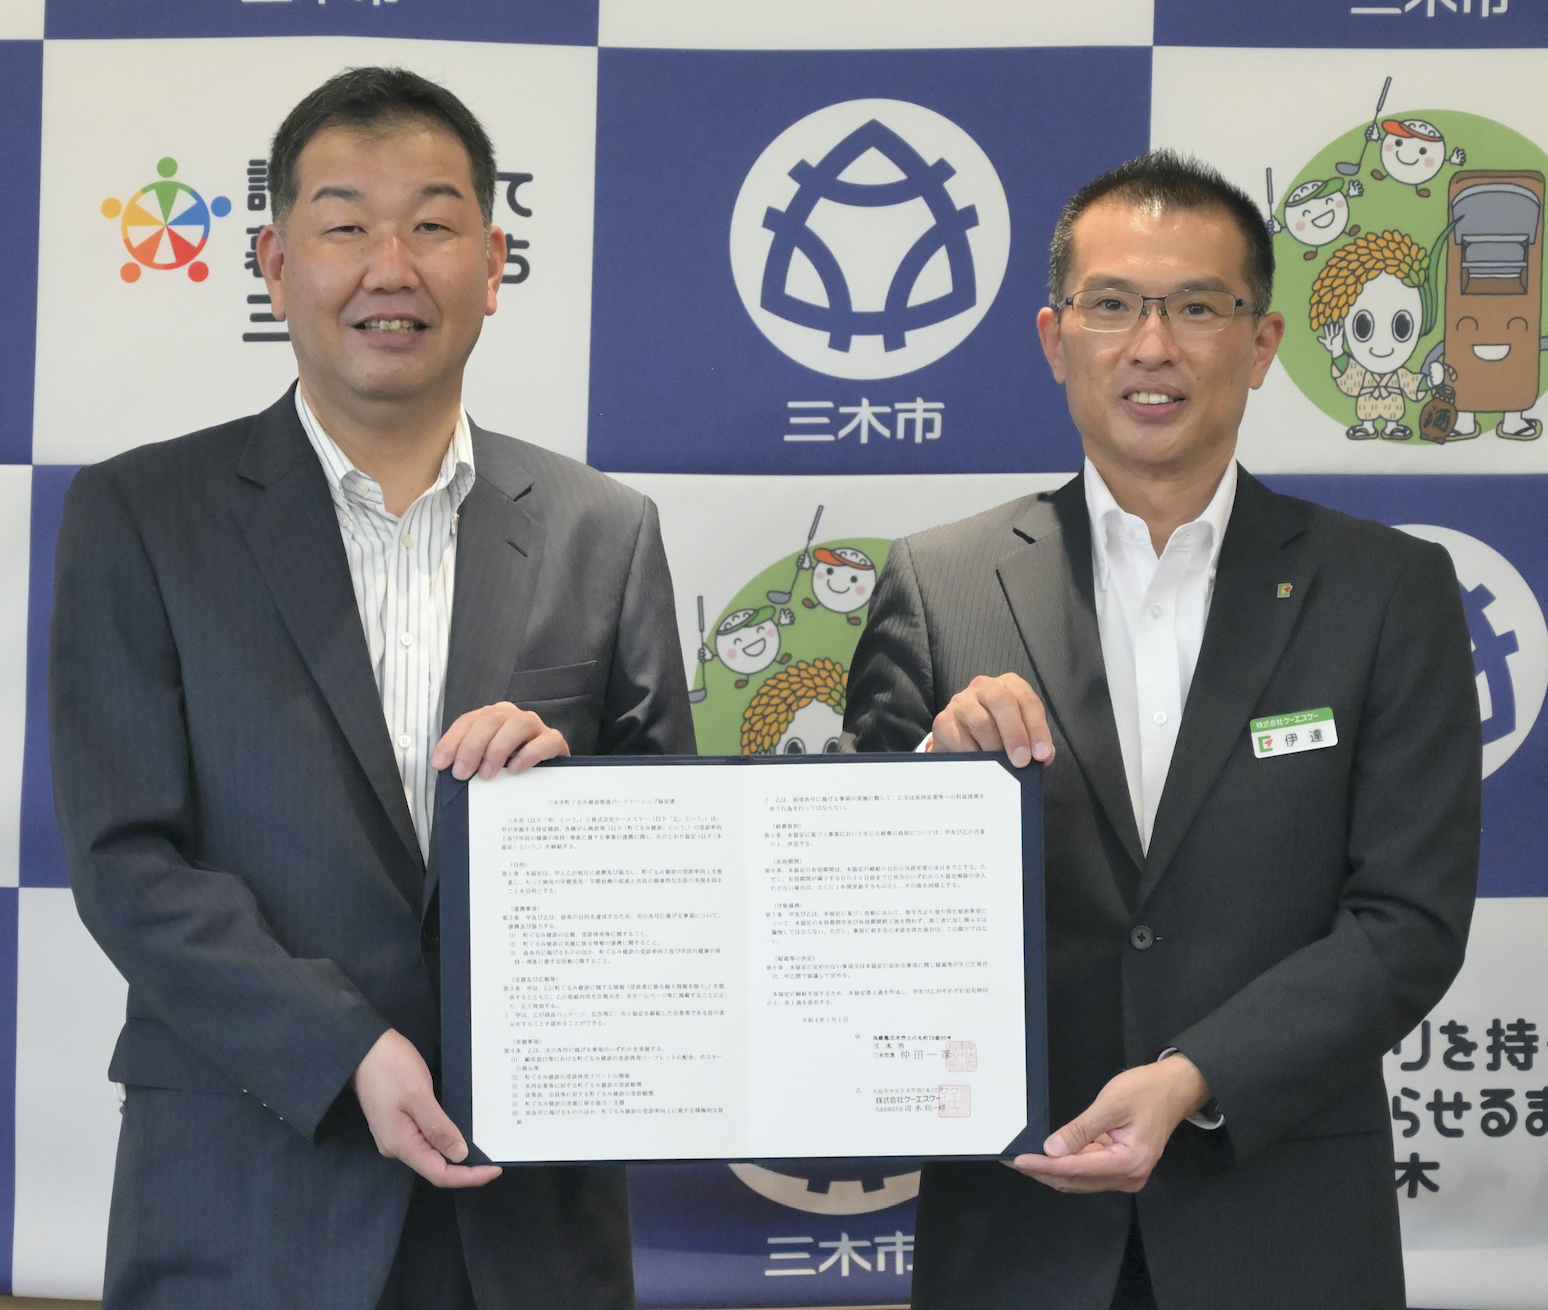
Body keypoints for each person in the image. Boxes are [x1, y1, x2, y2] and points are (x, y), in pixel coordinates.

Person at [50, 68, 693, 1310]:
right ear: (275, 263)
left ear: (492, 265)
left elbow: (672, 861)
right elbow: (126, 859)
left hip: (524, 1217)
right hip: (250, 1189)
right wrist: (344, 1046)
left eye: (433, 224)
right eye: (345, 225)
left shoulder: (602, 530)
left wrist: (571, 805)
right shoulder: (141, 515)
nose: (390, 267)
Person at [845, 150, 1480, 1310]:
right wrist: (934, 781)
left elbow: (1409, 918)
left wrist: (1196, 1074)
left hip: (1283, 1226)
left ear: (1262, 342)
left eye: (1197, 306)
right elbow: (842, 916)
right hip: (1016, 1230)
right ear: (1055, 339)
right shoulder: (942, 585)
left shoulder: (1387, 589)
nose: (1153, 345)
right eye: (1112, 305)